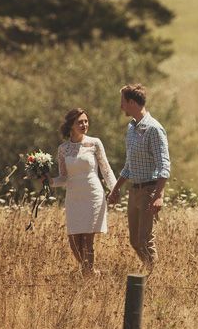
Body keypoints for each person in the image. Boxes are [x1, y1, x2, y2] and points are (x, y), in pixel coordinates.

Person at [107, 84, 170, 271]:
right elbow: (129, 165)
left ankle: (152, 277)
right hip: (134, 190)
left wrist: (159, 196)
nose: (121, 107)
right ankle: (149, 271)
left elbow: (164, 165)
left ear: (132, 102)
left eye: (123, 102)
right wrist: (116, 189)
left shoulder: (154, 129)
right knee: (135, 241)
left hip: (149, 191)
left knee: (145, 240)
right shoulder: (131, 128)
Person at [49, 108, 117, 276]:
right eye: (80, 122)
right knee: (74, 241)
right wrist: (49, 181)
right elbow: (63, 177)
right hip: (73, 197)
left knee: (87, 240)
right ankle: (93, 273)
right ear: (71, 125)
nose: (84, 124)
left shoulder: (95, 143)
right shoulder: (63, 149)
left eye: (86, 121)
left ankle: (88, 277)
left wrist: (114, 189)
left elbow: (106, 169)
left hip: (92, 194)